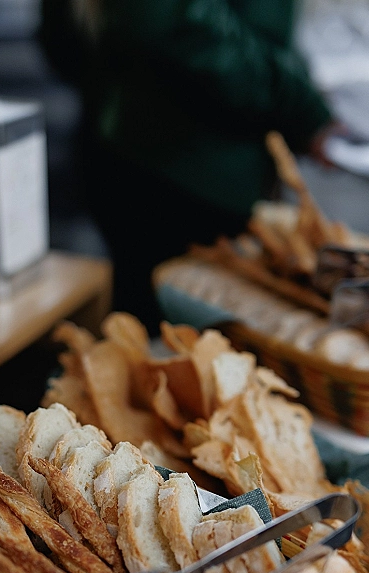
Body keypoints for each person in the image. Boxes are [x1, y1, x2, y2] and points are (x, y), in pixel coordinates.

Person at [39, 0, 337, 334]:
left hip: (145, 144)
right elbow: (175, 21)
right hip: (185, 172)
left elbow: (61, 36)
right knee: (172, 345)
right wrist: (300, 106)